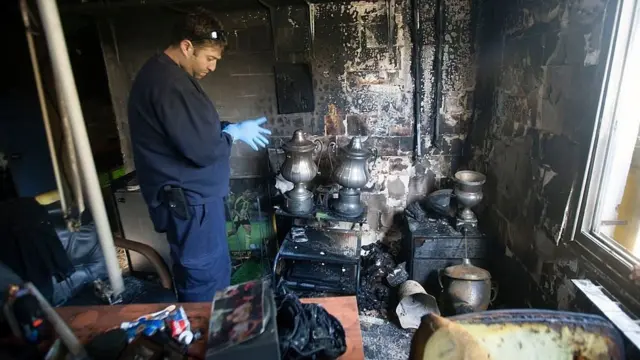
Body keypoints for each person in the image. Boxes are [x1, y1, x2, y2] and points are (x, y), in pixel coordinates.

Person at [127, 9, 271, 302]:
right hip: (192, 207)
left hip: (197, 204)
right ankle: (205, 340)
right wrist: (231, 135)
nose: (213, 67)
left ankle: (216, 335)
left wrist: (227, 127)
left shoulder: (168, 77)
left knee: (213, 275)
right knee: (204, 282)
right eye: (210, 58)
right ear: (186, 46)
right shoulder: (167, 83)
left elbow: (188, 133)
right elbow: (203, 151)